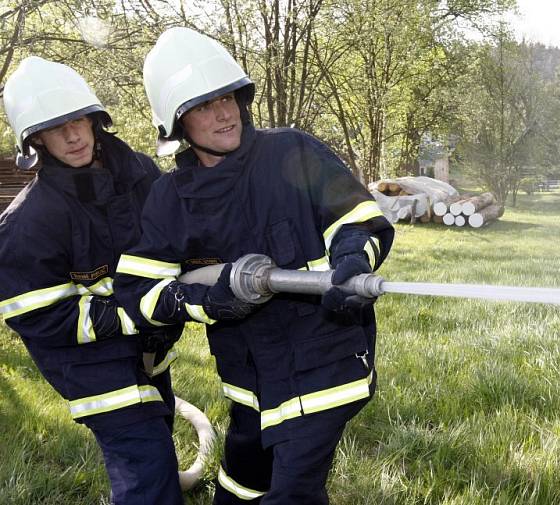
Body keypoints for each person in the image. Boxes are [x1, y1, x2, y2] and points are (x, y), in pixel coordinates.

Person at [113, 27, 394, 504]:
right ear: (178, 125)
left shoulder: (293, 152)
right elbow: (140, 293)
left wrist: (351, 261)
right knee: (243, 480)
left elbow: (359, 220)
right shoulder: (171, 197)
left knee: (292, 491)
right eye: (202, 105)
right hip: (248, 377)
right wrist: (212, 299)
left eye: (227, 97)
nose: (223, 112)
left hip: (323, 368)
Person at [0, 57, 183, 505]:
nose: (72, 135)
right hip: (87, 364)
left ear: (95, 120)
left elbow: (177, 236)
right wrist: (135, 312)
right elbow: (39, 317)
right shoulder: (28, 222)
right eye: (55, 127)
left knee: (158, 429)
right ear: (35, 139)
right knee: (147, 464)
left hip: (149, 346)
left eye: (78, 120)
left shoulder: (139, 173)